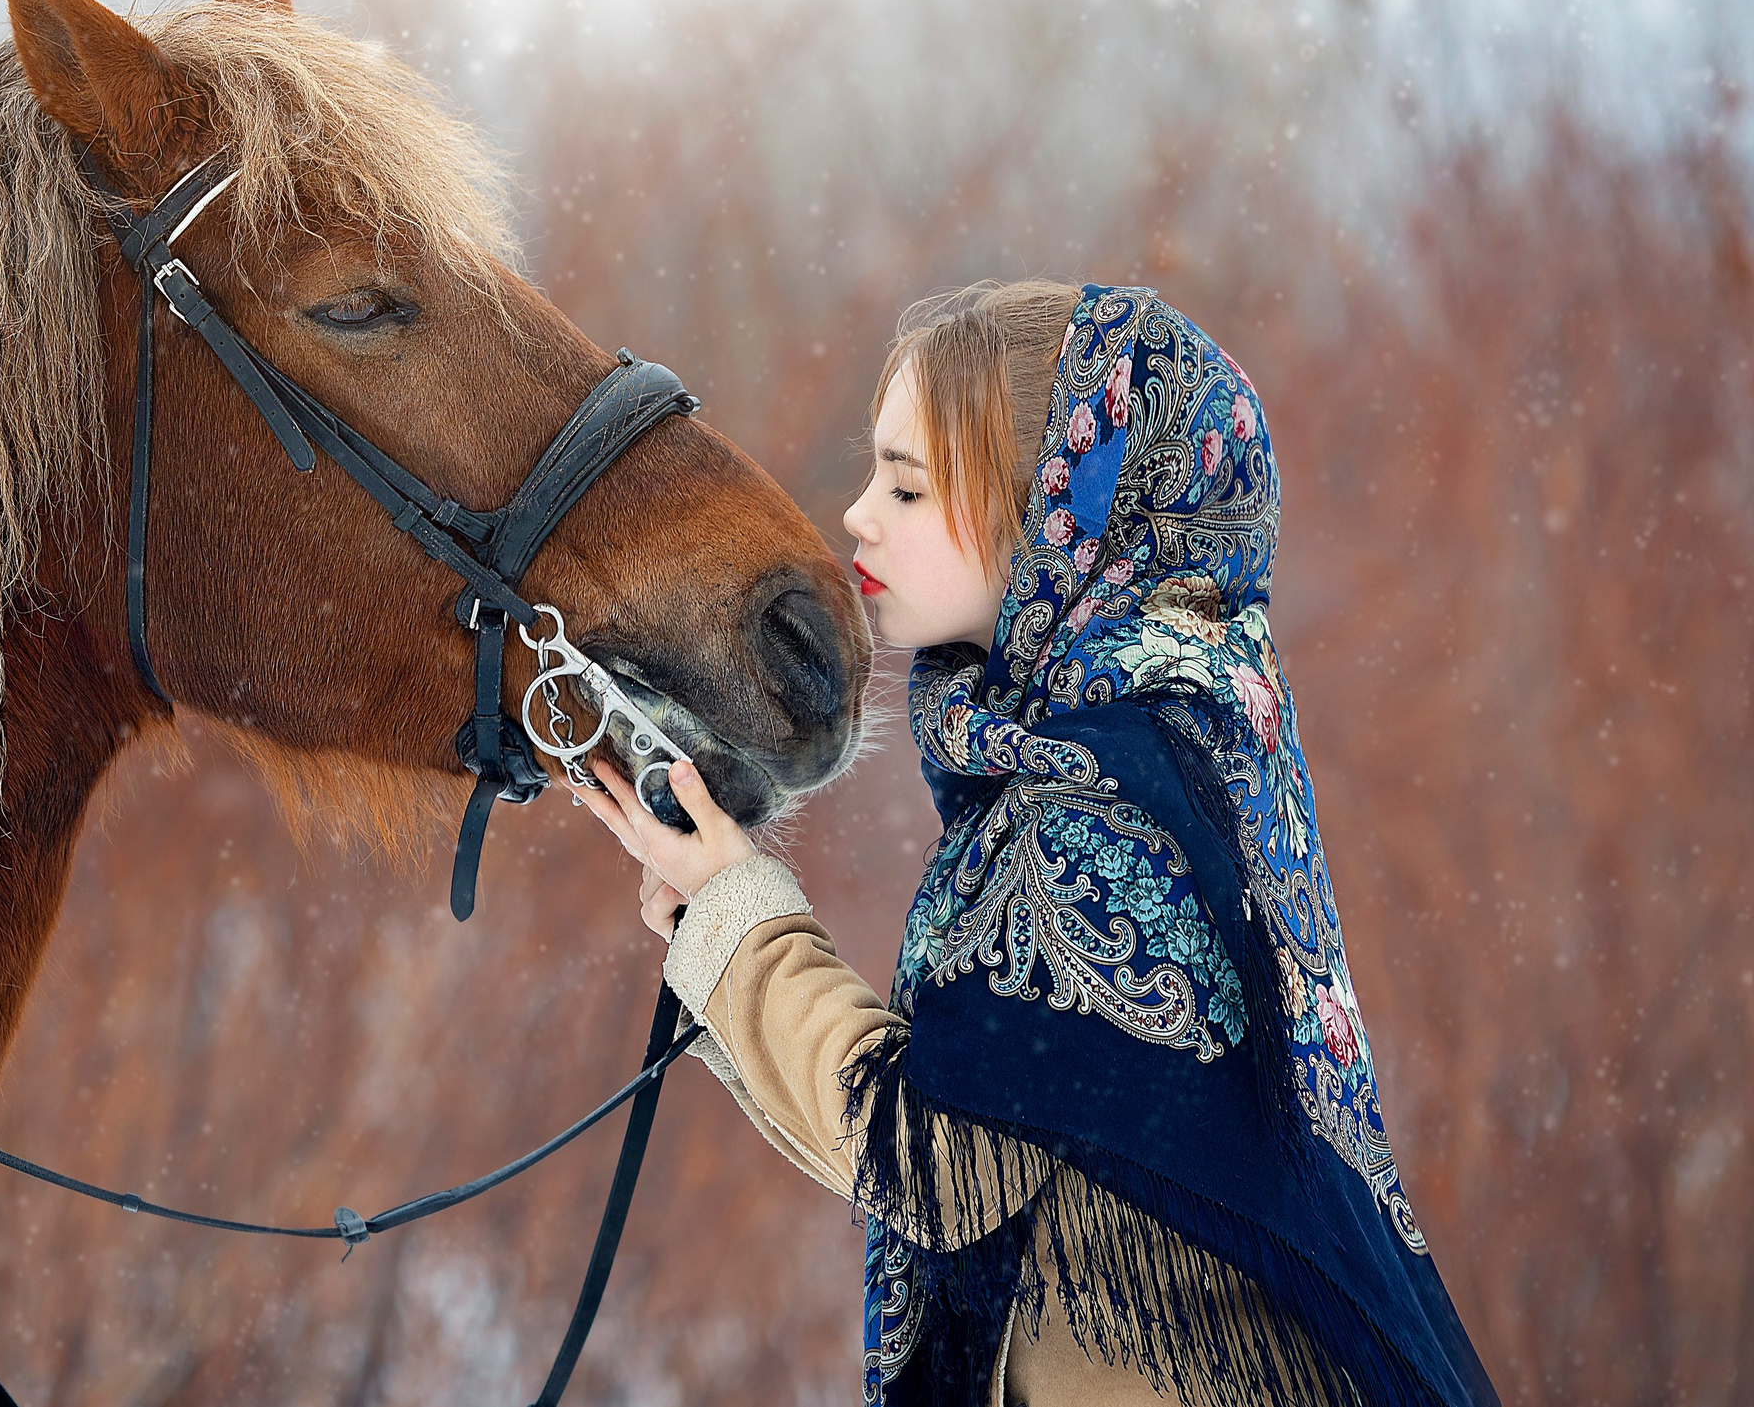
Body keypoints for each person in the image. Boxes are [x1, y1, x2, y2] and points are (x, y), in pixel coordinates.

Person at [581, 283, 1498, 1407]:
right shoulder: (1168, 731)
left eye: (909, 486)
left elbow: (931, 1160)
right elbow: (972, 1157)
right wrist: (723, 943)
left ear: (1062, 512)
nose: (859, 514)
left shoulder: (1099, 796)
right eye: (876, 474)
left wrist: (742, 918)